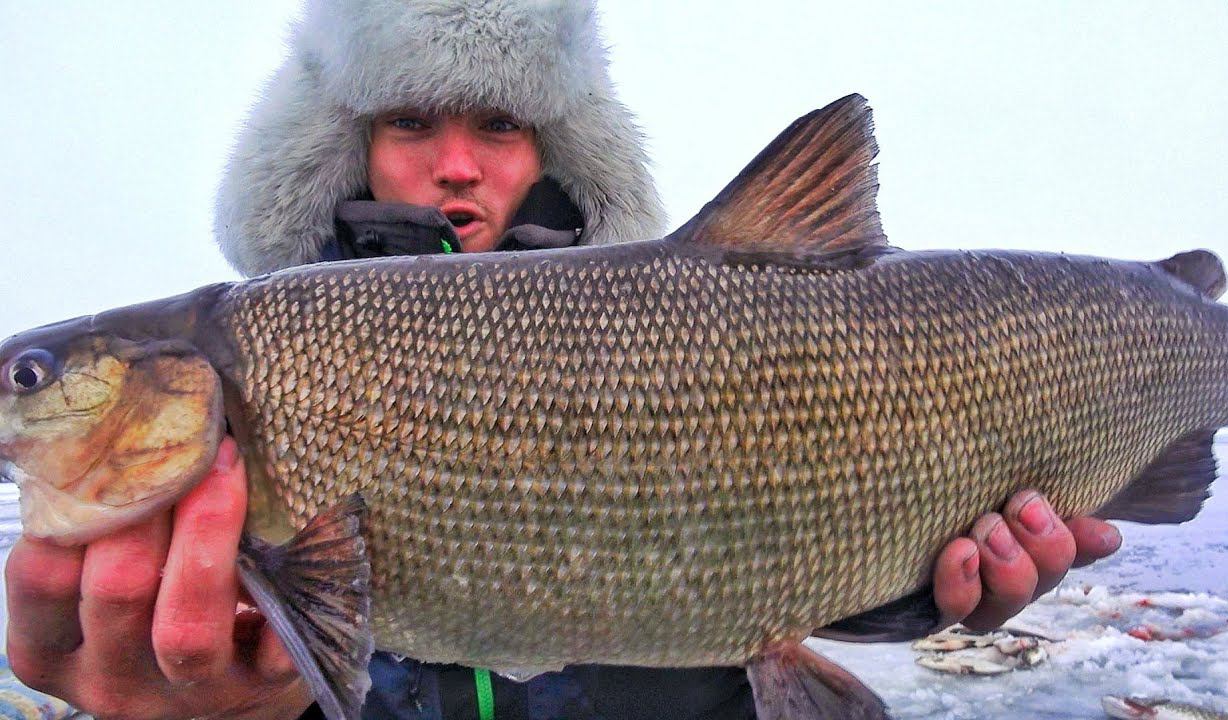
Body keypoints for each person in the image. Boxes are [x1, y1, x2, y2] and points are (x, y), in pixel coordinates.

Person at [4, 1, 1123, 718]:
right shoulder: (260, 358)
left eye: (496, 124)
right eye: (408, 122)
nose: (453, 165)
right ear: (343, 144)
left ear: (554, 147)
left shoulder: (716, 314)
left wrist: (898, 597)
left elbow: (793, 541)